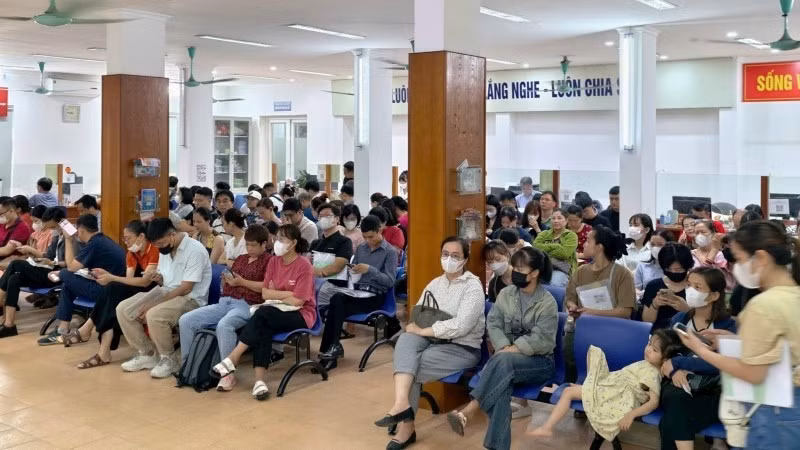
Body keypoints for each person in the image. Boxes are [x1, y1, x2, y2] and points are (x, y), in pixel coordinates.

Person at [677, 220, 800, 450]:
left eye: (740, 259)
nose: (736, 268)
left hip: (777, 410)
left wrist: (700, 349)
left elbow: (753, 373)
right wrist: (734, 341)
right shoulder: (793, 293)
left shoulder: (764, 305)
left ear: (761, 258)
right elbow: (782, 349)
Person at [375, 237, 485, 449]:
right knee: (406, 340)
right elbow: (418, 311)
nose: (449, 259)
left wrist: (424, 330)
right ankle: (401, 404)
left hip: (462, 347)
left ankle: (407, 426)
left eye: (455, 256)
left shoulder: (472, 286)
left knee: (410, 367)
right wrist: (416, 328)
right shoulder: (436, 283)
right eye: (445, 254)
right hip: (431, 341)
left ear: (465, 259)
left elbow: (462, 326)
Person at [446, 247, 558, 450]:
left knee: (502, 363)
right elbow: (494, 323)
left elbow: (542, 340)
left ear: (534, 273)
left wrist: (509, 351)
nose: (514, 272)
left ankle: (469, 410)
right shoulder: (506, 293)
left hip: (540, 363)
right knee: (502, 383)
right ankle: (496, 446)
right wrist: (503, 346)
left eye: (520, 269)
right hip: (506, 359)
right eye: (514, 266)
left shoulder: (547, 303)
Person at [529, 329, 683, 449]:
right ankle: (590, 387)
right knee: (595, 352)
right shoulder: (647, 364)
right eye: (649, 344)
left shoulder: (653, 374)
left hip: (616, 395)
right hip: (612, 384)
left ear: (665, 358)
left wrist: (631, 415)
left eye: (655, 350)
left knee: (568, 392)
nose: (648, 349)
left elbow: (653, 402)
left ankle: (547, 427)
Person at [211, 224, 315, 400]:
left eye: (282, 239)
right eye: (277, 238)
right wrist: (288, 293)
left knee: (262, 314)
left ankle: (233, 358)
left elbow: (299, 301)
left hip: (301, 314)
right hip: (275, 310)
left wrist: (281, 295)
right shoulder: (274, 262)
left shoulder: (304, 266)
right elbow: (265, 293)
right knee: (263, 324)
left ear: (294, 243)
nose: (277, 243)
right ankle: (259, 382)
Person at [178, 225, 272, 391]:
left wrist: (241, 282)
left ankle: (227, 374)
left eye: (253, 245)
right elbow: (232, 278)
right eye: (247, 244)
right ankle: (188, 365)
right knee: (186, 320)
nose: (249, 248)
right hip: (225, 301)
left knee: (225, 325)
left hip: (247, 304)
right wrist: (226, 280)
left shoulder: (269, 261)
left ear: (264, 244)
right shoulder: (241, 259)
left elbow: (267, 287)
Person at [116, 218, 212, 379]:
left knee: (154, 314)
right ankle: (148, 353)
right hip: (167, 291)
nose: (159, 248)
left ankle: (169, 359)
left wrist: (152, 305)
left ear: (172, 235)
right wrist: (157, 277)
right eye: (156, 245)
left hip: (190, 298)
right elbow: (166, 281)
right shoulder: (165, 248)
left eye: (161, 244)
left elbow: (185, 288)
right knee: (124, 309)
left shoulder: (195, 250)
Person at [63, 220, 160, 369]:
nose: (126, 242)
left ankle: (89, 332)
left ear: (141, 236)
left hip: (154, 289)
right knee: (111, 295)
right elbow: (128, 279)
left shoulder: (154, 250)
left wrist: (112, 277)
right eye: (124, 238)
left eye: (128, 238)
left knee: (111, 290)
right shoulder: (131, 253)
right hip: (135, 288)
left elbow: (145, 282)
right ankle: (102, 350)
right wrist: (109, 277)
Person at [659, 267, 736, 450]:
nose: (690, 290)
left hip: (713, 389)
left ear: (714, 296)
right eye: (688, 285)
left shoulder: (728, 326)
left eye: (697, 287)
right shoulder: (679, 319)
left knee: (673, 414)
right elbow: (665, 355)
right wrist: (675, 370)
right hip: (680, 386)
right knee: (676, 397)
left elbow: (719, 365)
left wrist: (677, 364)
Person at [317, 215, 396, 370]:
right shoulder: (361, 249)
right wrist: (351, 269)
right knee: (336, 301)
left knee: (337, 302)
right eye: (365, 237)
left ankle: (329, 352)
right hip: (357, 292)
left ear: (380, 230)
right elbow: (354, 271)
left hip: (375, 297)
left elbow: (390, 281)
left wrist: (370, 270)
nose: (368, 241)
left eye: (371, 237)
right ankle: (331, 351)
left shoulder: (390, 252)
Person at [38, 214, 126, 345]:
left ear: (81, 230)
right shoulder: (103, 240)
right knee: (67, 284)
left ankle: (62, 330)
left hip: (108, 292)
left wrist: (68, 240)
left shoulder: (94, 244)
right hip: (109, 286)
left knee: (66, 275)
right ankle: (63, 330)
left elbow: (71, 267)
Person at [564, 226, 636, 381]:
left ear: (599, 247)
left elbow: (625, 311)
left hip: (614, 330)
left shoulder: (622, 274)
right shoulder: (581, 271)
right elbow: (569, 297)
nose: (584, 244)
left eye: (588, 240)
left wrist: (591, 312)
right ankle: (574, 386)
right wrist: (573, 307)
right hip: (585, 327)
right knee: (567, 345)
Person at [0, 207, 83, 338]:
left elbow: (72, 264)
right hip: (50, 269)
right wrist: (36, 256)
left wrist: (52, 263)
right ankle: (9, 325)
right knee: (14, 279)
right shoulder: (57, 232)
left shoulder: (72, 235)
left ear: (57, 221)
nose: (46, 226)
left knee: (16, 264)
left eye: (49, 223)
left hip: (60, 274)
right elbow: (50, 255)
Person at [641, 242, 694, 331]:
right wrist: (655, 305)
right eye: (668, 269)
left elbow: (706, 322)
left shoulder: (696, 286)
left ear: (687, 266)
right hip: (658, 335)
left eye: (678, 269)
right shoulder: (654, 286)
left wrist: (687, 310)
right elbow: (647, 321)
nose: (673, 272)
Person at [533, 208, 577, 288]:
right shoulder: (544, 234)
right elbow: (535, 248)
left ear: (566, 220)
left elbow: (564, 253)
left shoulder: (571, 236)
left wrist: (545, 251)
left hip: (560, 269)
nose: (556, 221)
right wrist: (556, 246)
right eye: (553, 218)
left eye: (559, 218)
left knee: (553, 285)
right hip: (543, 267)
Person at [310, 203, 353, 280]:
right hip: (313, 282)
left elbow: (337, 267)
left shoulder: (345, 242)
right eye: (320, 216)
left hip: (334, 285)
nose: (323, 219)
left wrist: (316, 272)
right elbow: (306, 263)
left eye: (327, 216)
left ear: (336, 219)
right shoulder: (315, 243)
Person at [691, 220, 733, 289]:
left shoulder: (722, 255)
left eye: (703, 232)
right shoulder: (691, 254)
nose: (699, 235)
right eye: (696, 233)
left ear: (713, 233)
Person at [634, 230, 676, 295]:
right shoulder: (642, 266)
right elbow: (635, 289)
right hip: (647, 302)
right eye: (652, 244)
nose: (655, 248)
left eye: (660, 245)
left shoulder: (677, 268)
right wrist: (644, 293)